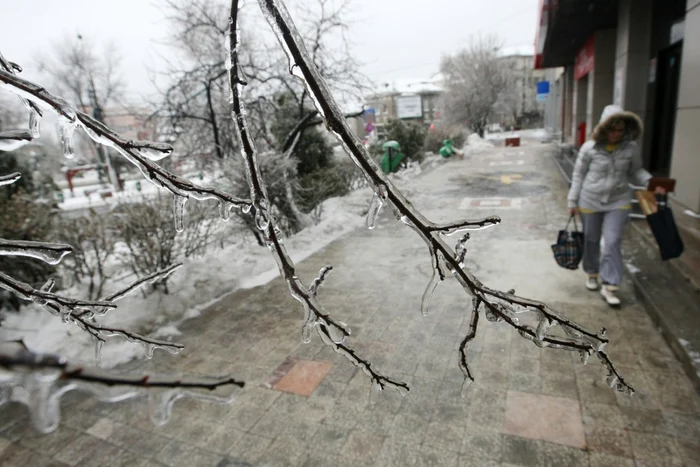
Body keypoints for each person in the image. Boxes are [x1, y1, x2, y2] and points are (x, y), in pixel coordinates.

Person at [567, 104, 664, 306]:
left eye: (621, 130)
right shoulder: (589, 148)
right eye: (612, 129)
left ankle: (610, 284)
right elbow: (578, 175)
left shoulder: (631, 148)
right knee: (591, 239)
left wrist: (651, 183)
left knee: (612, 241)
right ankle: (592, 272)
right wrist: (572, 201)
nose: (616, 134)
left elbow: (637, 171)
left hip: (618, 200)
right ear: (603, 128)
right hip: (590, 199)